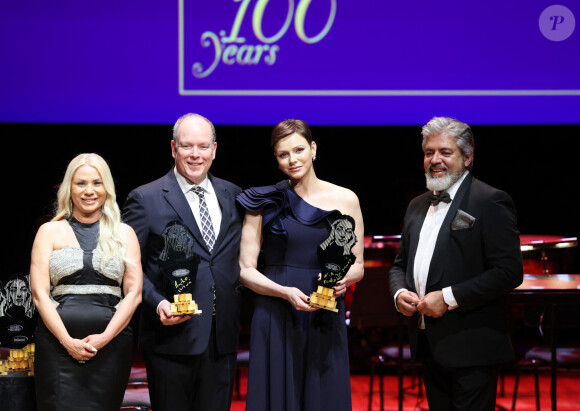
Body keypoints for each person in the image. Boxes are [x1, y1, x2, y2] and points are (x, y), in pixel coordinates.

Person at [388, 116, 523, 411]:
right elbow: (399, 266)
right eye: (428, 152)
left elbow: (509, 272)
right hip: (428, 345)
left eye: (445, 152)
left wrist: (448, 298)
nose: (435, 159)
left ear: (468, 157)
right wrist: (399, 295)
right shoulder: (416, 205)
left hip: (473, 348)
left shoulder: (491, 201)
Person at [237, 119, 364, 410]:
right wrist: (284, 292)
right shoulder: (263, 200)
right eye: (284, 154)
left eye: (299, 150)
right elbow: (245, 270)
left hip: (325, 311)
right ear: (276, 159)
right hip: (275, 311)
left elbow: (358, 264)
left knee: (324, 396)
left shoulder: (346, 199)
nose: (293, 159)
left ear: (313, 148)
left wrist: (343, 280)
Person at [123, 113, 243, 411]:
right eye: (187, 146)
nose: (195, 154)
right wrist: (158, 303)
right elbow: (128, 266)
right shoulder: (145, 198)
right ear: (173, 148)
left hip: (221, 338)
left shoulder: (234, 196)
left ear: (214, 149)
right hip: (171, 338)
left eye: (203, 146)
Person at [30, 153, 143, 410]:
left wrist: (104, 337)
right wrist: (67, 341)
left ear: (107, 188)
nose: (89, 191)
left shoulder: (125, 234)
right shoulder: (48, 231)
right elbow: (39, 294)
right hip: (56, 349)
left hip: (111, 347)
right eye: (81, 183)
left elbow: (134, 293)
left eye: (97, 183)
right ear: (69, 187)